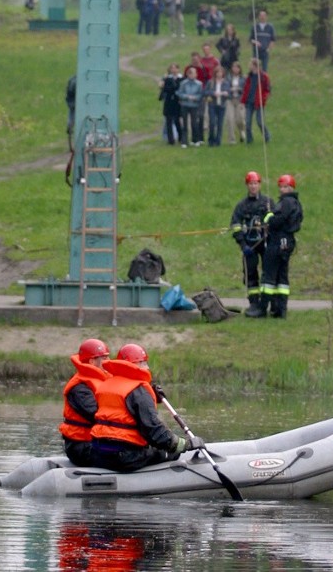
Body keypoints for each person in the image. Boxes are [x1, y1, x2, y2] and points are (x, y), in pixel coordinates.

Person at [89, 343, 202, 471]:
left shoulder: (105, 385)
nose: (147, 367)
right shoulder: (139, 390)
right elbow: (154, 431)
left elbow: (122, 410)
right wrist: (184, 444)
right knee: (172, 453)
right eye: (143, 363)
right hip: (125, 457)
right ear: (134, 364)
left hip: (98, 454)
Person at [248, 174, 303, 319]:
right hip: (288, 243)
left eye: (285, 187)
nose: (282, 190)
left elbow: (277, 220)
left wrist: (268, 216)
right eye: (281, 187)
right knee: (282, 278)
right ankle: (280, 309)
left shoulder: (286, 203)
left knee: (268, 276)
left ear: (291, 188)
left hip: (277, 242)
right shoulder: (296, 204)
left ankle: (261, 309)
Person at [60, 337, 112, 466]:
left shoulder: (105, 381)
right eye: (104, 358)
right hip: (82, 446)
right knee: (125, 453)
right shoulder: (79, 388)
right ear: (92, 361)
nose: (109, 361)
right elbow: (96, 415)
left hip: (97, 443)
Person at [230, 171, 271, 313]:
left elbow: (276, 220)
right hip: (249, 245)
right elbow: (235, 225)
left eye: (256, 184)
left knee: (268, 273)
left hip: (265, 244)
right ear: (247, 186)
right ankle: (253, 303)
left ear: (260, 185)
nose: (253, 187)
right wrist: (243, 245)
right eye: (251, 184)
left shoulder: (268, 203)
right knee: (250, 274)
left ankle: (268, 304)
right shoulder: (242, 205)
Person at [241, 58, 271, 144]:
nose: (249, 66)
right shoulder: (249, 77)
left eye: (251, 64)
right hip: (249, 102)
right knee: (247, 122)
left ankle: (267, 136)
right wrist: (243, 101)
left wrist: (264, 98)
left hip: (259, 102)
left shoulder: (264, 77)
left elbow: (267, 90)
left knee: (260, 122)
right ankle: (249, 140)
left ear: (255, 66)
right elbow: (245, 90)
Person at [203, 66, 231, 147]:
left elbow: (229, 94)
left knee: (220, 124)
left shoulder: (226, 83)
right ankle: (211, 140)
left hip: (222, 106)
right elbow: (205, 92)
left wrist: (225, 94)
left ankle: (218, 141)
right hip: (212, 105)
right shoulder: (210, 82)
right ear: (215, 73)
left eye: (220, 72)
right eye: (217, 72)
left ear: (223, 74)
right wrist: (213, 93)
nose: (219, 74)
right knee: (212, 123)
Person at [176, 65, 204, 146]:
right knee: (184, 123)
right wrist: (186, 96)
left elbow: (200, 95)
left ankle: (195, 140)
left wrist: (195, 98)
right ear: (188, 75)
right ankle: (184, 141)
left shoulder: (199, 84)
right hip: (185, 105)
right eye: (190, 73)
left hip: (194, 105)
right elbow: (179, 93)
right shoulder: (183, 83)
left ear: (196, 75)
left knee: (194, 123)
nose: (192, 75)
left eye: (194, 73)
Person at [158, 63, 183, 145]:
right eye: (172, 68)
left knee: (177, 120)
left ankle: (180, 136)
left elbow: (180, 88)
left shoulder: (181, 78)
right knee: (168, 120)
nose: (174, 70)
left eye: (175, 68)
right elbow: (165, 89)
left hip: (177, 101)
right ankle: (170, 139)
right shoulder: (167, 79)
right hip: (169, 101)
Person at [224, 60, 247, 143]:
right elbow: (226, 88)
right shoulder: (228, 78)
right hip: (230, 100)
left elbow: (245, 89)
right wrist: (230, 90)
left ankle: (242, 131)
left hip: (240, 100)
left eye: (237, 67)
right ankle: (231, 139)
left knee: (240, 119)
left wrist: (238, 89)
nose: (235, 69)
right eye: (234, 67)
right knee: (230, 119)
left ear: (240, 69)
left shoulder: (243, 78)